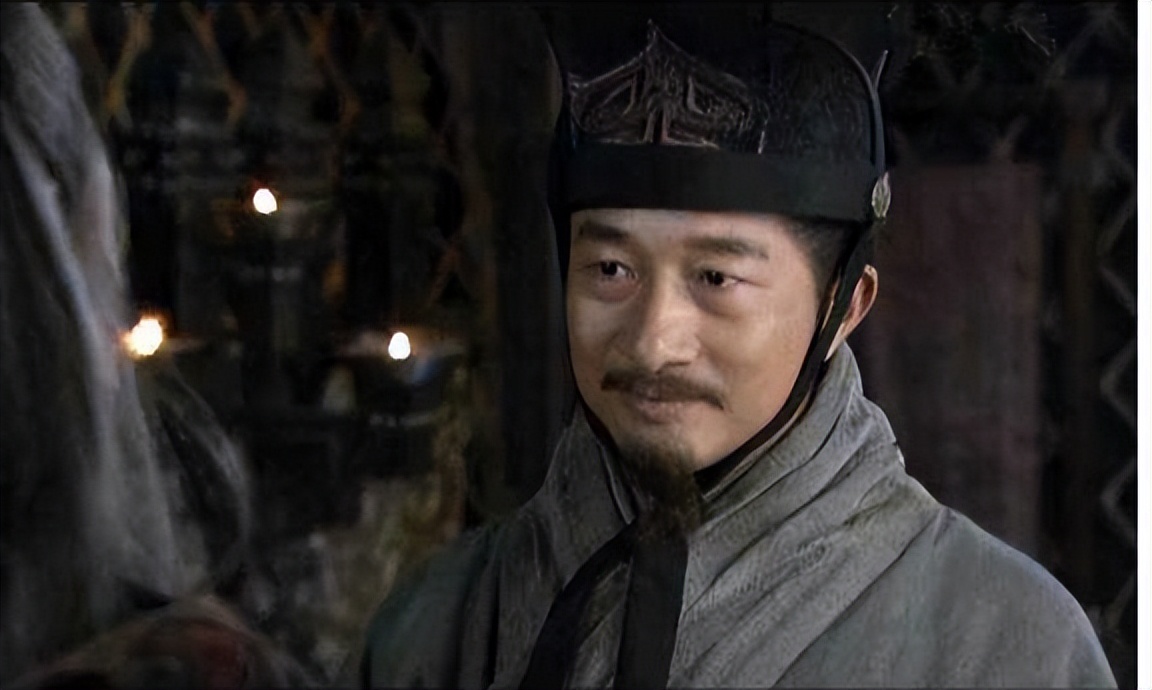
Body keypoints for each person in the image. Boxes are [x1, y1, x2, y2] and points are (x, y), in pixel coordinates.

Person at [361, 11, 1116, 688]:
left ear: (844, 306)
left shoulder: (1005, 646)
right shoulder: (439, 623)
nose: (654, 339)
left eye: (716, 278)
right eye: (611, 270)